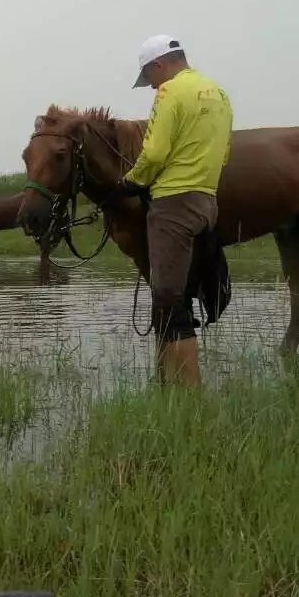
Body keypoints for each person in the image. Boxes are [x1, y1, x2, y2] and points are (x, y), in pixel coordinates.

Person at [115, 35, 234, 387]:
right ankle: (166, 383)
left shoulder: (169, 94)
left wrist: (131, 181)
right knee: (178, 296)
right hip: (206, 202)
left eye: (149, 78)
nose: (151, 86)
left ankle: (189, 396)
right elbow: (224, 153)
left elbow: (153, 154)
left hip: (173, 206)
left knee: (169, 299)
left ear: (159, 65)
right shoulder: (219, 93)